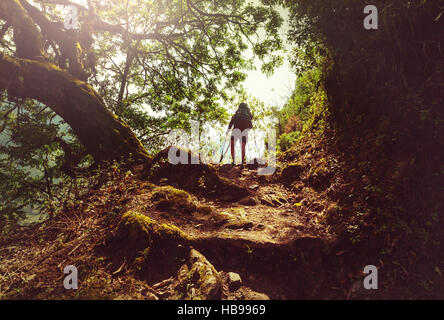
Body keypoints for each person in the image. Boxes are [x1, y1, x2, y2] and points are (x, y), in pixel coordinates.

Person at [226, 102, 253, 168]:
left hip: (235, 130)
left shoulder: (236, 114)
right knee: (243, 146)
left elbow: (231, 122)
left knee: (232, 145)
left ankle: (233, 161)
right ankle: (242, 163)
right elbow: (251, 122)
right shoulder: (248, 114)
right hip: (244, 131)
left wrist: (228, 130)